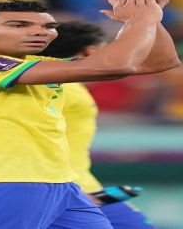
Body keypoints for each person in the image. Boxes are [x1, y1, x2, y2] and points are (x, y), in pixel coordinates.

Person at [0, 0, 180, 229]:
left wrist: (153, 18)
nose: (39, 31)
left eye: (48, 26)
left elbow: (157, 63)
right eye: (19, 25)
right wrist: (140, 20)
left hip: (60, 185)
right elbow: (113, 65)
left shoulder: (40, 65)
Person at [38, 20, 155, 228]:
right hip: (69, 192)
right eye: (105, 50)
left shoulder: (60, 86)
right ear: (89, 53)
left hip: (75, 189)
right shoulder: (63, 90)